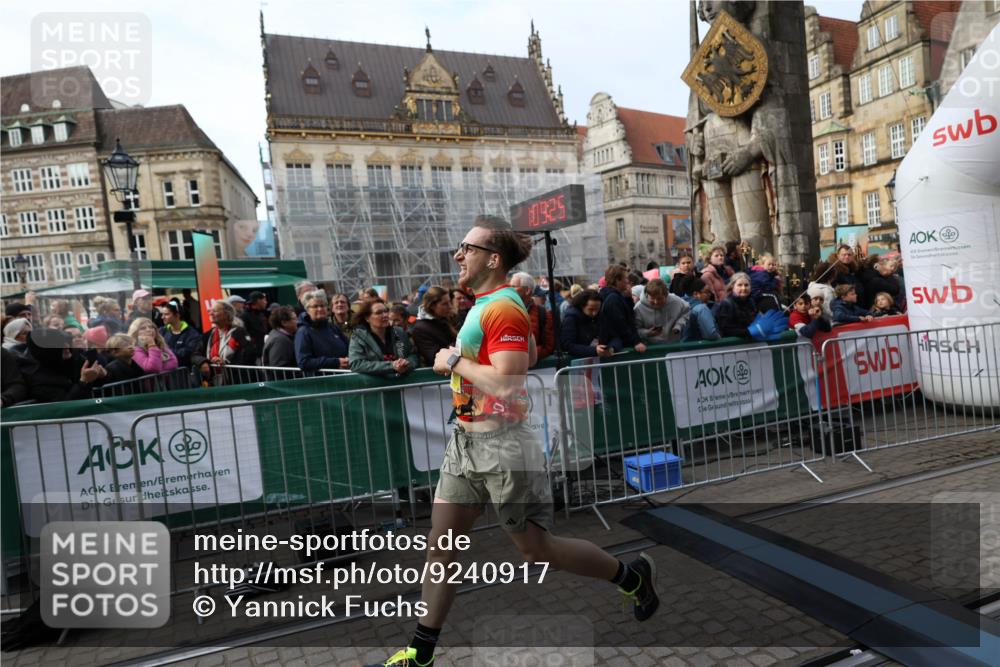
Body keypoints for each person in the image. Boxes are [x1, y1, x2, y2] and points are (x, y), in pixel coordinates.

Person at [366, 215, 659, 667]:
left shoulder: (502, 305)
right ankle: (420, 653)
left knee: (538, 550)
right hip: (465, 443)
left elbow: (507, 383)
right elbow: (531, 355)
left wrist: (452, 360)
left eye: (468, 248)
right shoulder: (486, 305)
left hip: (505, 448)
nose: (458, 255)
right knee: (442, 548)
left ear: (493, 258)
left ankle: (632, 577)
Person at [20, 328, 106, 403]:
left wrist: (101, 375)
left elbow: (95, 387)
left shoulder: (73, 361)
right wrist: (83, 381)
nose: (67, 346)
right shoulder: (38, 378)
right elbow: (63, 406)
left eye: (67, 342)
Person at [348, 300, 418, 377]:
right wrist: (391, 366)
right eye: (379, 313)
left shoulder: (399, 332)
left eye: (386, 311)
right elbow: (356, 364)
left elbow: (413, 355)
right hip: (374, 385)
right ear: (367, 318)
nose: (384, 315)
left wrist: (406, 364)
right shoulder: (358, 337)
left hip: (402, 384)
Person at [294, 291, 350, 372]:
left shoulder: (333, 328)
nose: (320, 309)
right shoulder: (303, 332)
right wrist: (336, 362)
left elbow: (349, 347)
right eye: (315, 306)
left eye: (322, 305)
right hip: (321, 381)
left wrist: (348, 360)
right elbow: (304, 362)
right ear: (307, 310)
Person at [598, 264, 647, 353]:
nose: (628, 281)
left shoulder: (616, 296)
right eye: (626, 278)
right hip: (617, 345)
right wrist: (635, 341)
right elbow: (621, 325)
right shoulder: (613, 299)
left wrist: (628, 298)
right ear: (617, 280)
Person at [511, 272, 555, 365]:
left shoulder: (543, 314)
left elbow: (548, 347)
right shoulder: (502, 310)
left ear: (527, 290)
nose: (509, 290)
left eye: (514, 287)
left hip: (534, 372)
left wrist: (524, 357)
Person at [410, 286, 457, 367]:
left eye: (450, 302)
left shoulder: (452, 318)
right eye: (445, 304)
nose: (450, 306)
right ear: (432, 306)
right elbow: (434, 357)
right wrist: (460, 345)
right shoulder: (420, 329)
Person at [634, 278, 690, 345]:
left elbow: (686, 311)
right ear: (647, 295)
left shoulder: (676, 301)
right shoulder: (638, 308)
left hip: (673, 345)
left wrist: (678, 325)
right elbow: (635, 330)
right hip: (650, 348)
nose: (656, 302)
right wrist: (647, 333)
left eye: (659, 298)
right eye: (652, 298)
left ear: (666, 295)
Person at [560, 289, 613, 359]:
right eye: (590, 309)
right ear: (582, 306)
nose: (594, 313)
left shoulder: (601, 316)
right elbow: (567, 345)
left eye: (597, 309)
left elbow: (614, 336)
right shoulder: (571, 318)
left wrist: (612, 348)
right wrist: (594, 350)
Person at [204, 300, 257, 367]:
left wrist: (227, 363)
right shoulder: (209, 334)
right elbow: (196, 353)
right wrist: (203, 362)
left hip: (236, 375)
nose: (211, 313)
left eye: (214, 311)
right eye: (210, 311)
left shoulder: (239, 332)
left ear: (226, 314)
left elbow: (249, 354)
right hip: (215, 376)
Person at [159, 300, 201, 367]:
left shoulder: (191, 333)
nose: (162, 317)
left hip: (185, 373)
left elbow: (187, 353)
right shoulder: (161, 331)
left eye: (166, 314)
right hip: (166, 373)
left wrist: (165, 351)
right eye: (162, 314)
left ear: (177, 315)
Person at [713, 272, 756, 339]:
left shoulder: (751, 302)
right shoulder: (726, 304)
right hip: (733, 346)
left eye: (746, 285)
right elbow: (725, 329)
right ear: (732, 287)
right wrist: (748, 332)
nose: (743, 288)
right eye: (739, 285)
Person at [680, 278, 721, 342]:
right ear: (696, 294)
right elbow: (711, 334)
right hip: (700, 349)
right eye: (707, 292)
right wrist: (720, 338)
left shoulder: (679, 305)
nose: (710, 295)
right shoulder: (701, 308)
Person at [242, 291, 269, 356]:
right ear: (258, 301)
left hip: (264, 349)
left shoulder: (263, 314)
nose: (266, 302)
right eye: (264, 300)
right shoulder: (244, 316)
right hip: (253, 354)